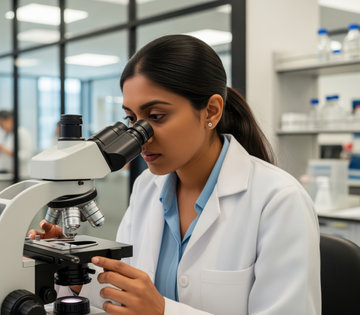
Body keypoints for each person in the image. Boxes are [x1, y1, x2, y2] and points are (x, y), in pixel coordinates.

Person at [29, 35, 321, 315]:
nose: (140, 137)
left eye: (156, 116)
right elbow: (127, 293)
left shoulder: (279, 200)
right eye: (131, 119)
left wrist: (163, 311)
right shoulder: (146, 186)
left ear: (211, 111)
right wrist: (73, 270)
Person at [0, 110, 34, 176]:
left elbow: (26, 155)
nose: (0, 127)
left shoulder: (23, 133)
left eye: (1, 124)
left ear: (10, 119)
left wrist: (8, 151)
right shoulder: (4, 134)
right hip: (5, 172)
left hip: (20, 174)